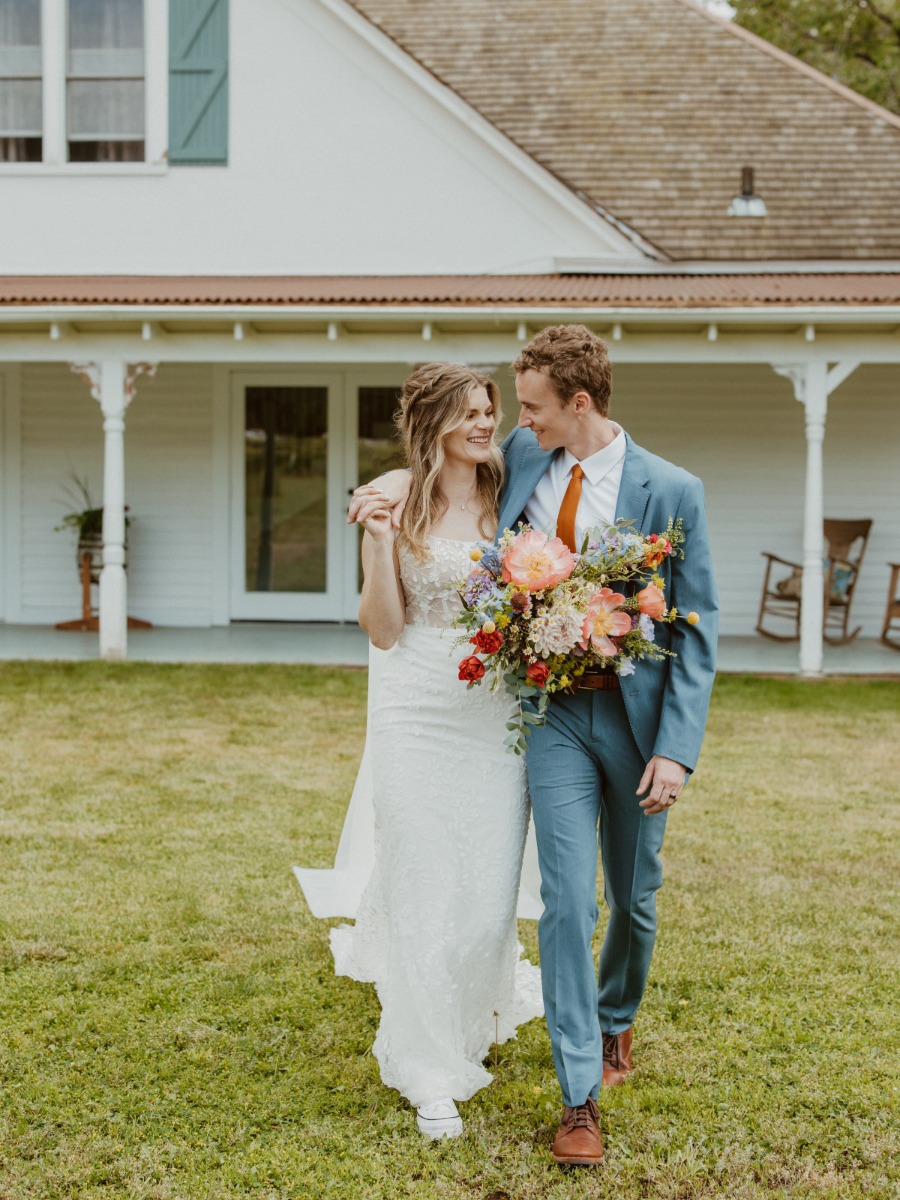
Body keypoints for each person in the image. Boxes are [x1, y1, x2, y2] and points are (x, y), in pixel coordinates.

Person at [350, 325, 718, 1166]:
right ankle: (578, 1096)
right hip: (543, 713)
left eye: (526, 407)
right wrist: (376, 496)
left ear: (575, 405)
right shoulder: (522, 455)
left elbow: (697, 624)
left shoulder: (670, 488)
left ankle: (615, 1019)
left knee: (632, 895)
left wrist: (677, 747)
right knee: (563, 902)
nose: (512, 422)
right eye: (499, 409)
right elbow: (427, 466)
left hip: (632, 719)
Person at [315, 362, 542, 1141]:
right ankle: (425, 1065)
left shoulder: (513, 493)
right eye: (472, 413)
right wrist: (379, 546)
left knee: (484, 894)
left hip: (492, 715)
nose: (487, 423)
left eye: (491, 410)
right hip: (412, 709)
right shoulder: (392, 496)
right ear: (434, 421)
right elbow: (383, 629)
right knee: (420, 877)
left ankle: (468, 1010)